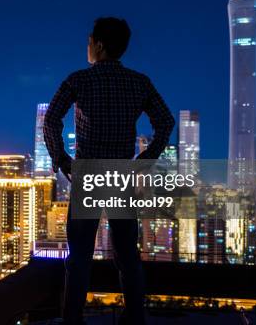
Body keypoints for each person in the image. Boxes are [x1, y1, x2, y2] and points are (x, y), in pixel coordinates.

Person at [43, 17, 175, 324]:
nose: (87, 46)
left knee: (79, 257)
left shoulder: (78, 80)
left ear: (99, 45)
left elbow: (51, 120)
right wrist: (144, 160)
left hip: (87, 174)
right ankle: (134, 318)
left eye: (89, 41)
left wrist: (62, 159)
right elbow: (166, 121)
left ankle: (73, 319)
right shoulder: (139, 82)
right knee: (127, 255)